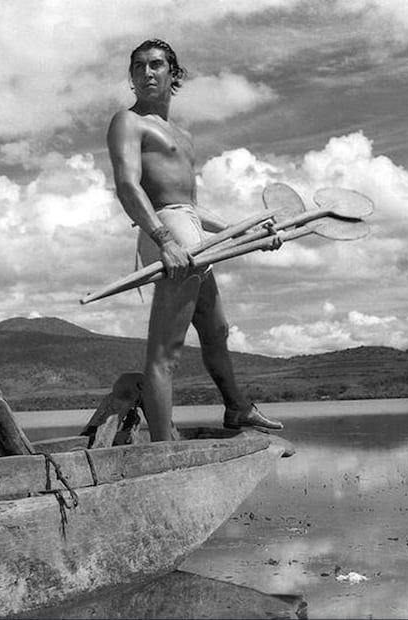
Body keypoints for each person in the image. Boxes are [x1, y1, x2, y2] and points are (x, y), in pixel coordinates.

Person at [106, 39, 283, 441]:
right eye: (138, 67)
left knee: (216, 330)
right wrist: (164, 240)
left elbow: (192, 206)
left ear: (174, 74)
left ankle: (237, 408)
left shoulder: (183, 136)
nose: (146, 72)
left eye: (155, 65)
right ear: (131, 79)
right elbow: (127, 186)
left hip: (193, 232)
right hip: (167, 230)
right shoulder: (128, 121)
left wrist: (245, 230)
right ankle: (163, 447)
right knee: (165, 351)